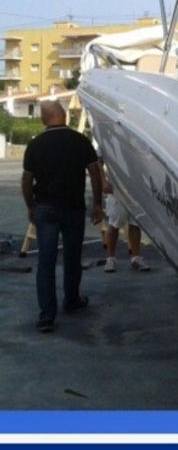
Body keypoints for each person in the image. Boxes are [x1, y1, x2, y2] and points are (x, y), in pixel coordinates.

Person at [21, 100, 103, 333]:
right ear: (64, 115)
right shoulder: (80, 141)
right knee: (72, 257)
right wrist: (97, 203)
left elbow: (27, 179)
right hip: (73, 208)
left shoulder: (35, 145)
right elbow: (95, 173)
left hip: (45, 208)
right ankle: (72, 300)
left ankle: (47, 316)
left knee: (46, 262)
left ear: (43, 119)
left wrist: (31, 205)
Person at [99, 157, 150, 272]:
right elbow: (99, 161)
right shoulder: (108, 144)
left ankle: (136, 258)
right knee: (114, 223)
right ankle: (110, 258)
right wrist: (103, 181)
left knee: (135, 222)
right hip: (116, 186)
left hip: (136, 185)